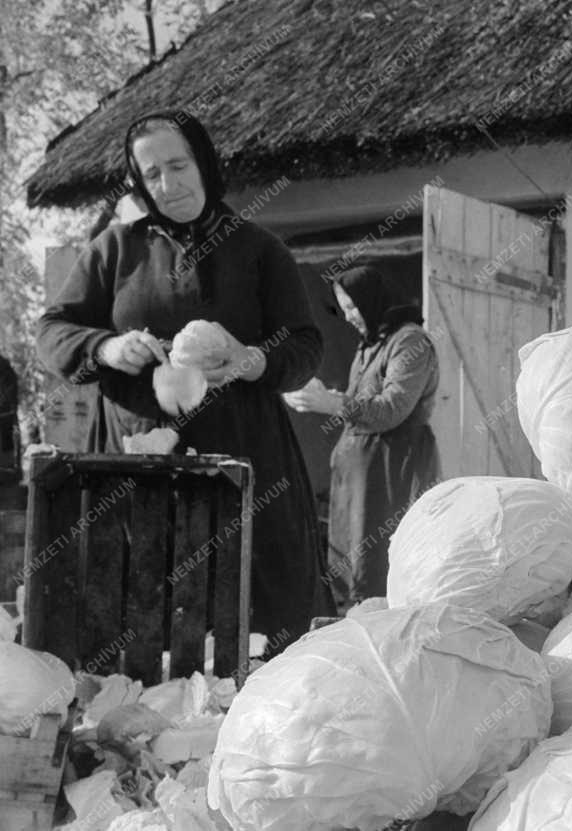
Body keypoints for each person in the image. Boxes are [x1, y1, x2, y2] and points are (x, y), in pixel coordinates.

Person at [36, 110, 332, 654]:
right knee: (136, 612)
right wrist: (105, 347)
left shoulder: (259, 249)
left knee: (253, 620)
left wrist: (251, 359)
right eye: (152, 174)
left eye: (178, 165)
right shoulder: (115, 249)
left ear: (204, 163)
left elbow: (306, 345)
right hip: (136, 463)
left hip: (245, 463)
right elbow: (52, 332)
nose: (168, 185)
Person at [284, 265, 440, 608]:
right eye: (343, 309)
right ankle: (352, 631)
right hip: (359, 471)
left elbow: (391, 408)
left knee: (379, 563)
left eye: (352, 307)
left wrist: (332, 403)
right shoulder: (371, 345)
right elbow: (363, 399)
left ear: (374, 300)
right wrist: (326, 397)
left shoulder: (410, 341)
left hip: (389, 468)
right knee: (348, 562)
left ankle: (378, 637)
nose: (348, 316)